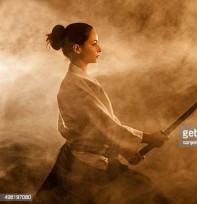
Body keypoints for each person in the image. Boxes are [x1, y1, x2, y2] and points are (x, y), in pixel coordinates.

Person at [33, 23, 170, 204]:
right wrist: (148, 138)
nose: (100, 48)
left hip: (85, 159)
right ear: (77, 48)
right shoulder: (75, 85)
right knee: (148, 196)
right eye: (94, 43)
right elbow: (104, 126)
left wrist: (124, 149)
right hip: (85, 166)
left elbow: (100, 126)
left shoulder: (80, 82)